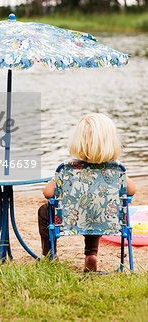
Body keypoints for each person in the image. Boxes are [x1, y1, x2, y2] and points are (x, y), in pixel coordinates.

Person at [38, 113, 136, 272]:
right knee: (95, 209)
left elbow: (48, 193)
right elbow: (131, 190)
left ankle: (49, 255)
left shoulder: (67, 169)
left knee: (44, 210)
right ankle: (91, 254)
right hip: (104, 218)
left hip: (73, 218)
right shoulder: (116, 170)